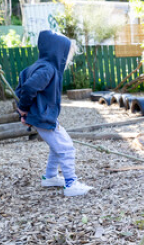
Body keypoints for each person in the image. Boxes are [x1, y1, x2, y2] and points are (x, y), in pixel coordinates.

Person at [16, 30, 93, 197]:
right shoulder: (48, 69)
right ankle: (71, 184)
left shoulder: (36, 67)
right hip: (43, 117)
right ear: (57, 52)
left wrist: (26, 114)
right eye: (66, 54)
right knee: (67, 148)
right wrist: (23, 109)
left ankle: (50, 176)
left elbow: (22, 85)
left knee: (57, 146)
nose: (67, 59)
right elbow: (29, 88)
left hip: (42, 117)